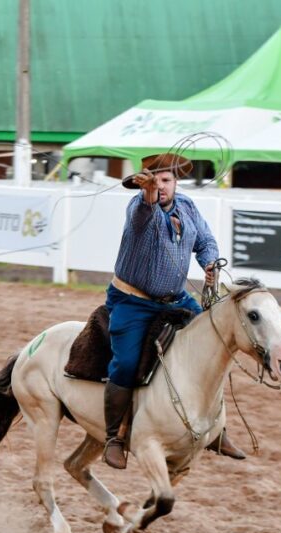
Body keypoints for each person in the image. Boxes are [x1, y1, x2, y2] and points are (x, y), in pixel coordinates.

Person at [102, 153, 245, 469]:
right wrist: (149, 193)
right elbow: (146, 212)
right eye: (156, 181)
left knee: (212, 345)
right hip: (132, 301)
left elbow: (205, 241)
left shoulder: (188, 207)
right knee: (126, 363)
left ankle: (216, 429)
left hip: (176, 299)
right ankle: (114, 436)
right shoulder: (140, 207)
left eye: (167, 180)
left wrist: (209, 263)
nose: (162, 186)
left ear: (176, 182)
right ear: (147, 184)